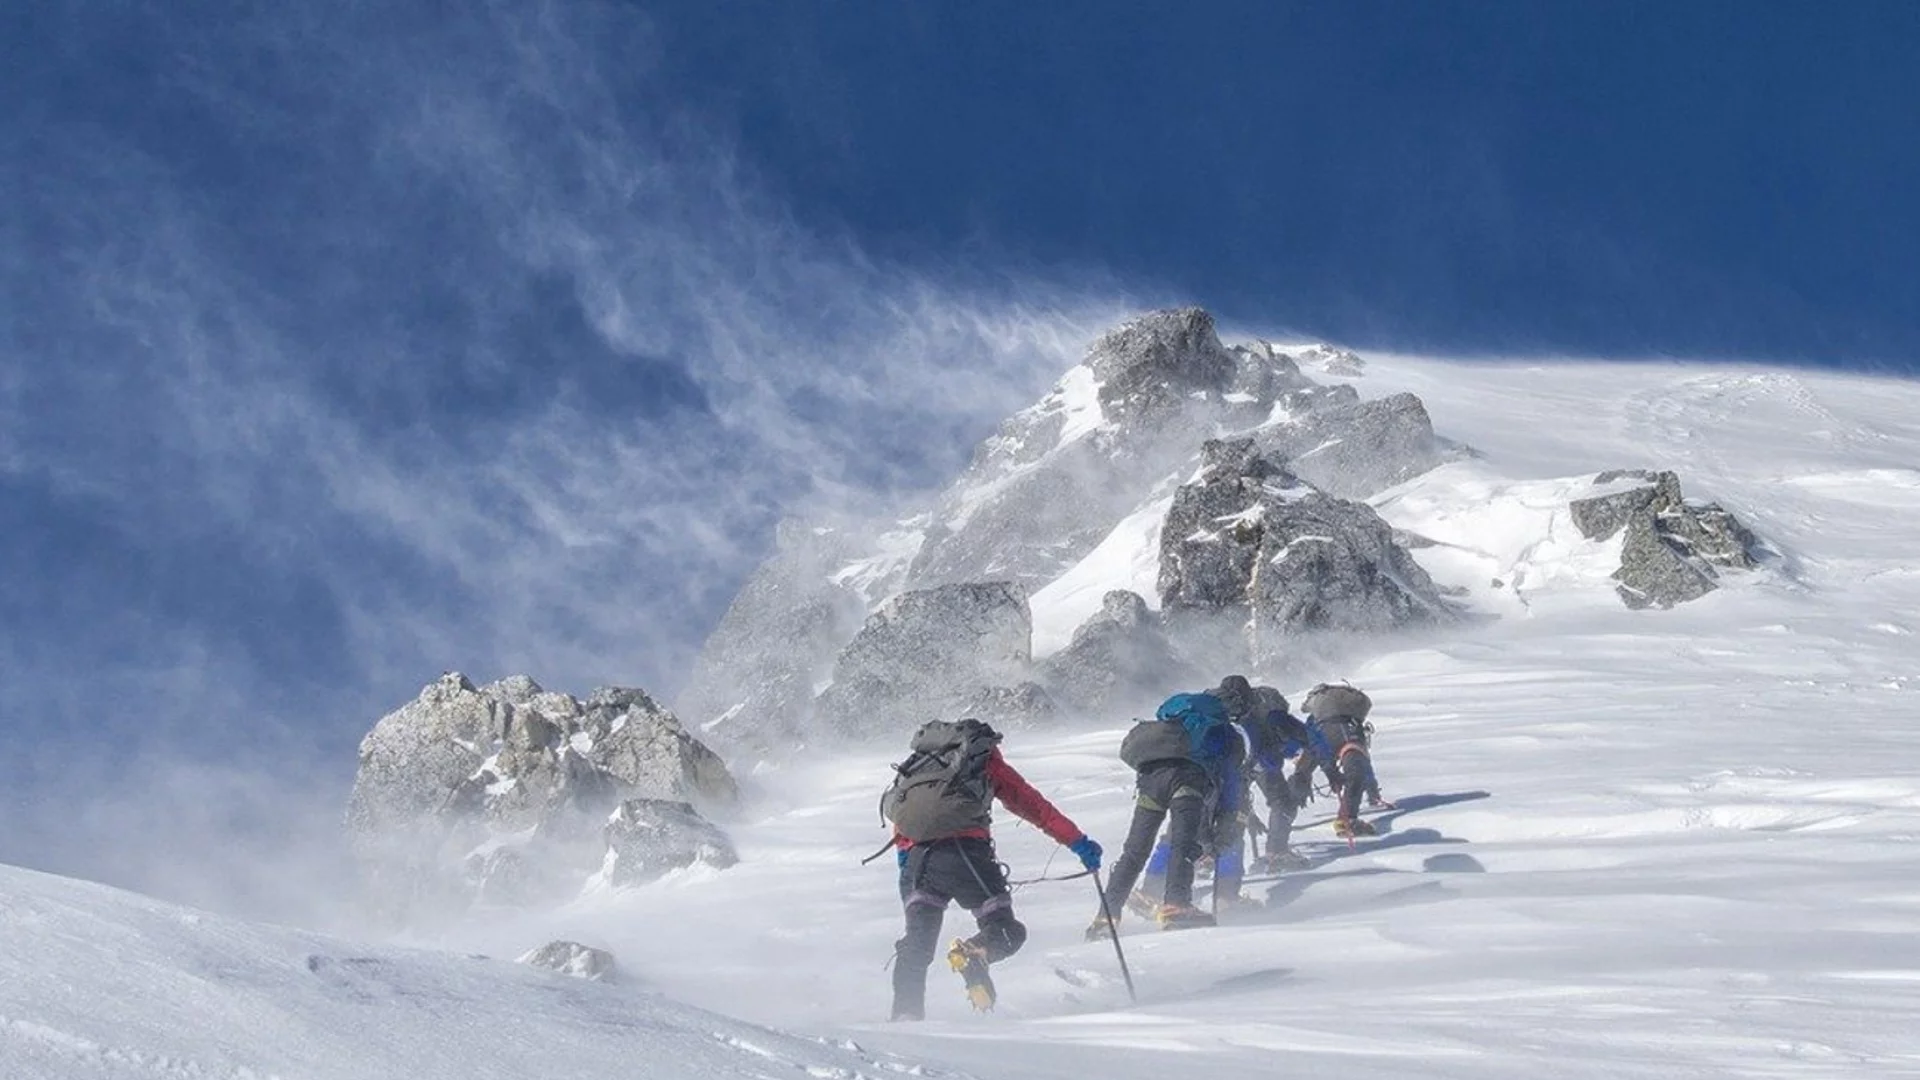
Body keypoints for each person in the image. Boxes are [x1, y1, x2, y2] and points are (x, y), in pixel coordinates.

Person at [881, 717, 1101, 1020]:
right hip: (967, 857)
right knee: (1006, 930)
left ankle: (905, 1021)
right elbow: (1034, 806)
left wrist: (908, 876)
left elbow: (903, 826)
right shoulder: (982, 761)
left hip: (918, 863)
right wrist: (1078, 843)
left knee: (916, 947)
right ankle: (976, 953)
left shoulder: (917, 767)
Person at [1087, 691, 1241, 938]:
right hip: (1187, 780)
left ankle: (1106, 916)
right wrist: (1227, 821)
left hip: (1150, 778)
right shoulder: (1227, 735)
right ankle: (1177, 906)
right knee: (1183, 844)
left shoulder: (1173, 724)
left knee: (1135, 850)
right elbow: (1231, 782)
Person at [1298, 683, 1391, 838]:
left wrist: (1330, 771)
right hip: (1349, 735)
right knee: (1356, 768)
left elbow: (1316, 746)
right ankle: (1347, 819)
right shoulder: (1352, 722)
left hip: (1321, 738)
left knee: (1300, 775)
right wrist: (1372, 791)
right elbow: (1363, 767)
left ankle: (1285, 814)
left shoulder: (1316, 718)